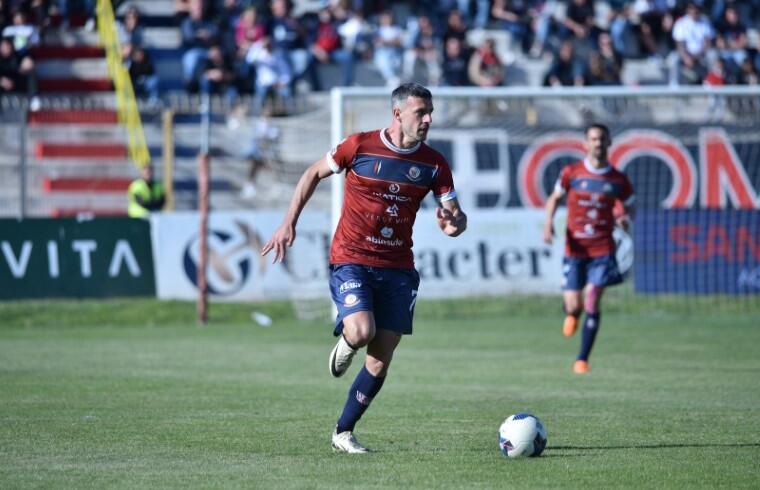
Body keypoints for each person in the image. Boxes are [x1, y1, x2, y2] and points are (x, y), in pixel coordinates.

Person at [261, 83, 467, 453]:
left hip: (399, 267)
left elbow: (455, 216)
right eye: (421, 112)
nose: (428, 119)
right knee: (361, 330)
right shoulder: (359, 146)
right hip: (352, 258)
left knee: (380, 360)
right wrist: (288, 222)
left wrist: (453, 223)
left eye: (430, 112)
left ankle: (343, 432)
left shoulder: (434, 163)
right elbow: (311, 174)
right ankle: (349, 339)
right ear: (398, 113)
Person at [542, 124, 635, 374]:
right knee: (574, 304)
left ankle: (582, 359)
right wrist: (548, 223)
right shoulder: (572, 172)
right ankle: (572, 313)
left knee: (593, 300)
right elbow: (554, 198)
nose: (598, 143)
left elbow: (627, 207)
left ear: (609, 142)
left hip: (602, 250)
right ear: (585, 144)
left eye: (602, 139)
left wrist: (624, 218)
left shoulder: (618, 180)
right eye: (593, 139)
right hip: (575, 249)